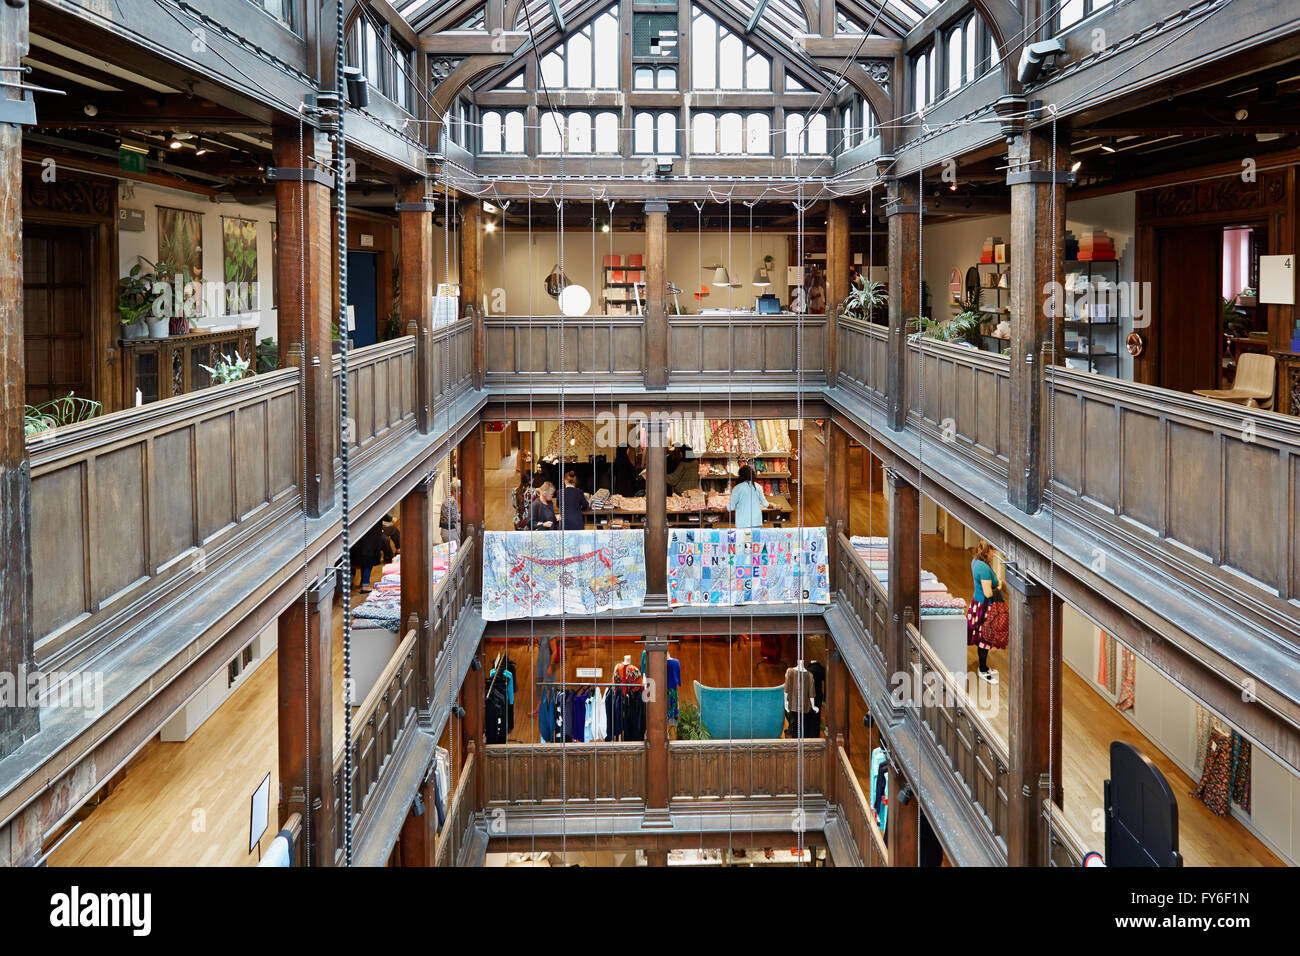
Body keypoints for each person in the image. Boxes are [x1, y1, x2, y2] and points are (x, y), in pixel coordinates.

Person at [967, 541, 1009, 684]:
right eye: (994, 550)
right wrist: (999, 584)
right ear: (988, 551)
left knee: (982, 637)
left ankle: (984, 667)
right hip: (985, 607)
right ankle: (983, 670)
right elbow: (988, 593)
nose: (995, 553)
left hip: (978, 604)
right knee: (985, 639)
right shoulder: (984, 568)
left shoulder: (975, 561)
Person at [727, 463, 769, 529]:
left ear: (740, 476)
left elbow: (731, 507)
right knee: (755, 539)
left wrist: (719, 509)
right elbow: (765, 504)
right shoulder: (758, 487)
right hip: (756, 521)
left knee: (743, 539)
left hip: (742, 523)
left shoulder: (737, 488)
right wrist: (774, 506)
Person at [351, 521, 385, 593]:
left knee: (364, 561)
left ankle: (363, 583)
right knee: (368, 562)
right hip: (370, 538)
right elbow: (387, 518)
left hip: (360, 537)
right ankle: (365, 586)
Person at [440, 477, 462, 545]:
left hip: (446, 531)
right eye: (459, 490)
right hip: (450, 532)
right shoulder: (452, 501)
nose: (460, 493)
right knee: (456, 553)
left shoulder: (448, 500)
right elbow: (455, 518)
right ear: (454, 491)